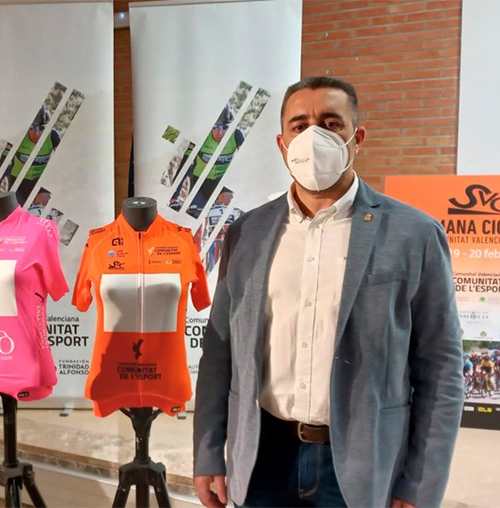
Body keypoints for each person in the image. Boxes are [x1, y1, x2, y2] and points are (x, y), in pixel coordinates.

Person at [193, 76, 463, 508]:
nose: (313, 135)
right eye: (300, 125)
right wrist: (208, 451)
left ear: (357, 138)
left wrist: (421, 485)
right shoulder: (247, 233)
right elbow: (219, 352)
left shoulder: (414, 234)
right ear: (282, 144)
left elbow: (442, 369)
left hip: (360, 465)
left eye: (331, 123)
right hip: (261, 457)